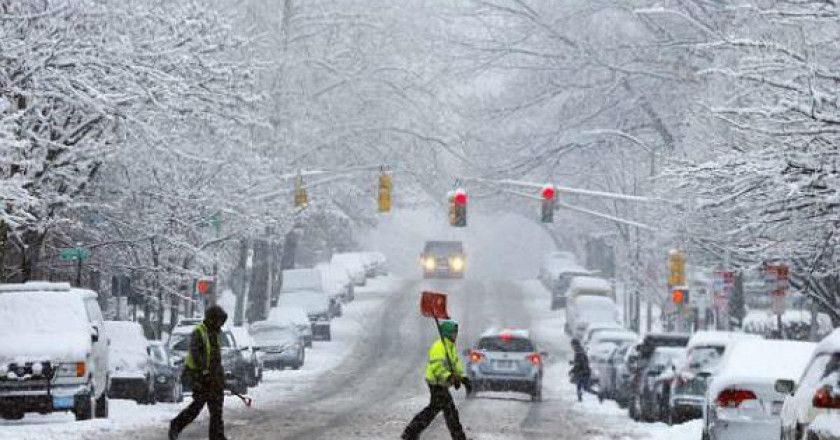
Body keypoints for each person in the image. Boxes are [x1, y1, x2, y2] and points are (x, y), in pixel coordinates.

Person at [402, 319, 471, 440]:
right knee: (449, 411)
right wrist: (448, 376)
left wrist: (463, 378)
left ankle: (410, 433)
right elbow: (437, 367)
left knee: (434, 410)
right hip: (436, 382)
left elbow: (455, 365)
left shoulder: (450, 346)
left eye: (456, 332)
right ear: (447, 333)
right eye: (453, 332)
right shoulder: (439, 346)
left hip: (442, 384)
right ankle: (459, 437)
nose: (456, 335)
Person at [169, 305, 229, 440]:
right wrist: (205, 372)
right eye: (219, 320)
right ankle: (176, 425)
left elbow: (215, 358)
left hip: (214, 378)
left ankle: (217, 436)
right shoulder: (199, 332)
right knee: (197, 407)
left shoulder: (215, 333)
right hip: (199, 377)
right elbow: (197, 355)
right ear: (212, 319)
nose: (220, 324)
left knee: (216, 410)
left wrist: (220, 377)